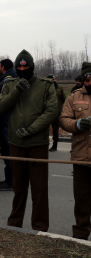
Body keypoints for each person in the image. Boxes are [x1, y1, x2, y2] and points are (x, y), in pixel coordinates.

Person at [0, 49, 57, 232]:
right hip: (16, 144)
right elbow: (0, 107)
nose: (23, 70)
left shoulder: (45, 85)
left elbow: (52, 111)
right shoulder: (10, 84)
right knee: (18, 189)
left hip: (37, 145)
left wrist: (31, 130)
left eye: (27, 67)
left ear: (32, 67)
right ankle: (14, 225)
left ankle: (40, 227)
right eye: (19, 68)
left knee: (39, 191)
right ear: (16, 68)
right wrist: (17, 90)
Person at [60, 62, 91, 240]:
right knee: (81, 200)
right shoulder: (74, 97)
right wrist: (77, 124)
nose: (89, 80)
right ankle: (80, 235)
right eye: (87, 77)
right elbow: (63, 120)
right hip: (81, 156)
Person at [0, 59, 17, 191]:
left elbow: (4, 103)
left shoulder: (7, 81)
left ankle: (11, 181)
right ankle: (11, 179)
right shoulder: (12, 78)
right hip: (9, 122)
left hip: (6, 122)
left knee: (8, 153)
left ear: (3, 67)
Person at [47, 74, 65, 152]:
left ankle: (55, 145)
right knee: (44, 130)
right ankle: (45, 145)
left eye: (55, 79)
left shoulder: (59, 88)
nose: (54, 80)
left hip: (57, 113)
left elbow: (63, 99)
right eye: (53, 79)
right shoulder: (45, 88)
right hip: (46, 113)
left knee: (55, 130)